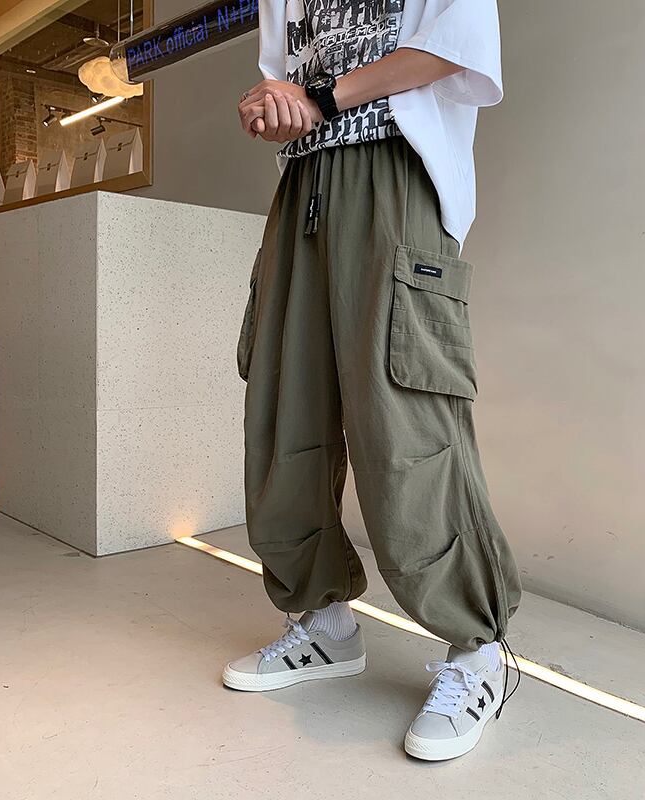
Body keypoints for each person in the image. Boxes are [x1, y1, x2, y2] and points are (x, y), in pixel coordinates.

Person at [225, 0, 522, 761]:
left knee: (406, 421)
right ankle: (323, 621)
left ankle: (478, 651)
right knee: (285, 407)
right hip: (304, 185)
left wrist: (320, 98)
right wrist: (270, 106)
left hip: (396, 172)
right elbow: (285, 80)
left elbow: (456, 45)